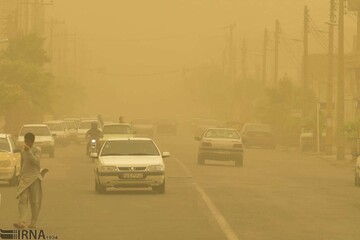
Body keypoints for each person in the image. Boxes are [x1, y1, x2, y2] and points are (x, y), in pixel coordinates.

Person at [14, 132, 47, 229]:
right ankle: (21, 222)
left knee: (34, 201)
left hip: (34, 178)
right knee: (22, 199)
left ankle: (33, 222)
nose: (26, 143)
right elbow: (23, 164)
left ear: (32, 141)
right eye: (25, 141)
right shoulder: (23, 150)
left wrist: (29, 151)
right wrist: (20, 177)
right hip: (24, 178)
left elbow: (36, 162)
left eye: (28, 141)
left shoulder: (37, 150)